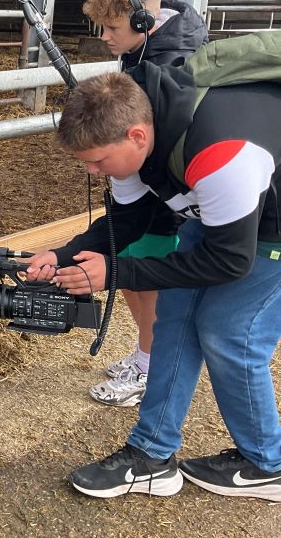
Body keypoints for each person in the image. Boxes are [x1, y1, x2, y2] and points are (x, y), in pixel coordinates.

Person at [25, 58, 281, 501]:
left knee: (228, 333)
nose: (93, 171)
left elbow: (229, 262)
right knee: (175, 321)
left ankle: (268, 462)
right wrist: (63, 253)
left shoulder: (223, 153)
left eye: (98, 161)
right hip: (224, 210)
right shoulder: (136, 142)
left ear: (137, 136)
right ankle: (151, 455)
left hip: (272, 226)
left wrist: (115, 272)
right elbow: (126, 218)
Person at [81, 0, 208, 407]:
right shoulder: (139, 50)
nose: (105, 37)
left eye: (112, 28)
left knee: (145, 274)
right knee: (131, 273)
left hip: (161, 193)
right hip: (138, 184)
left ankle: (152, 366)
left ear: (143, 19)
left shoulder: (172, 63)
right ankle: (145, 352)